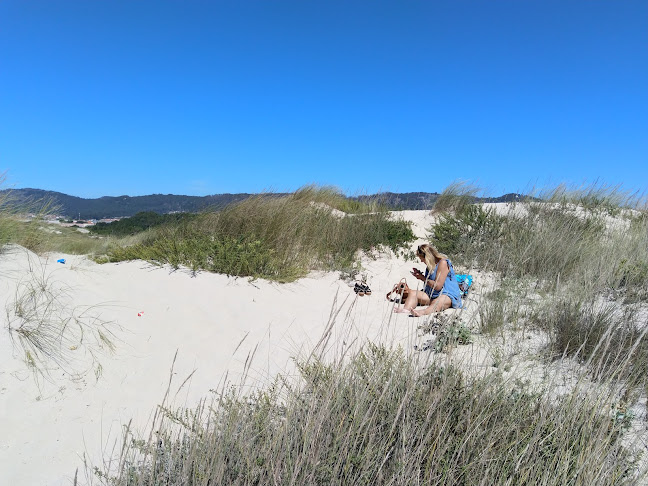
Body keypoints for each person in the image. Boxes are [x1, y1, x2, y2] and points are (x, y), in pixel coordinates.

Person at [392, 243, 463, 316]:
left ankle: (423, 312)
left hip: (447, 295)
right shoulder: (430, 266)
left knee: (438, 301)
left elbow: (438, 286)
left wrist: (422, 278)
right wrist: (420, 275)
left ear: (427, 257)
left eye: (422, 259)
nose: (422, 261)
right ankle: (406, 309)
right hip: (432, 294)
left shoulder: (443, 263)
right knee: (413, 293)